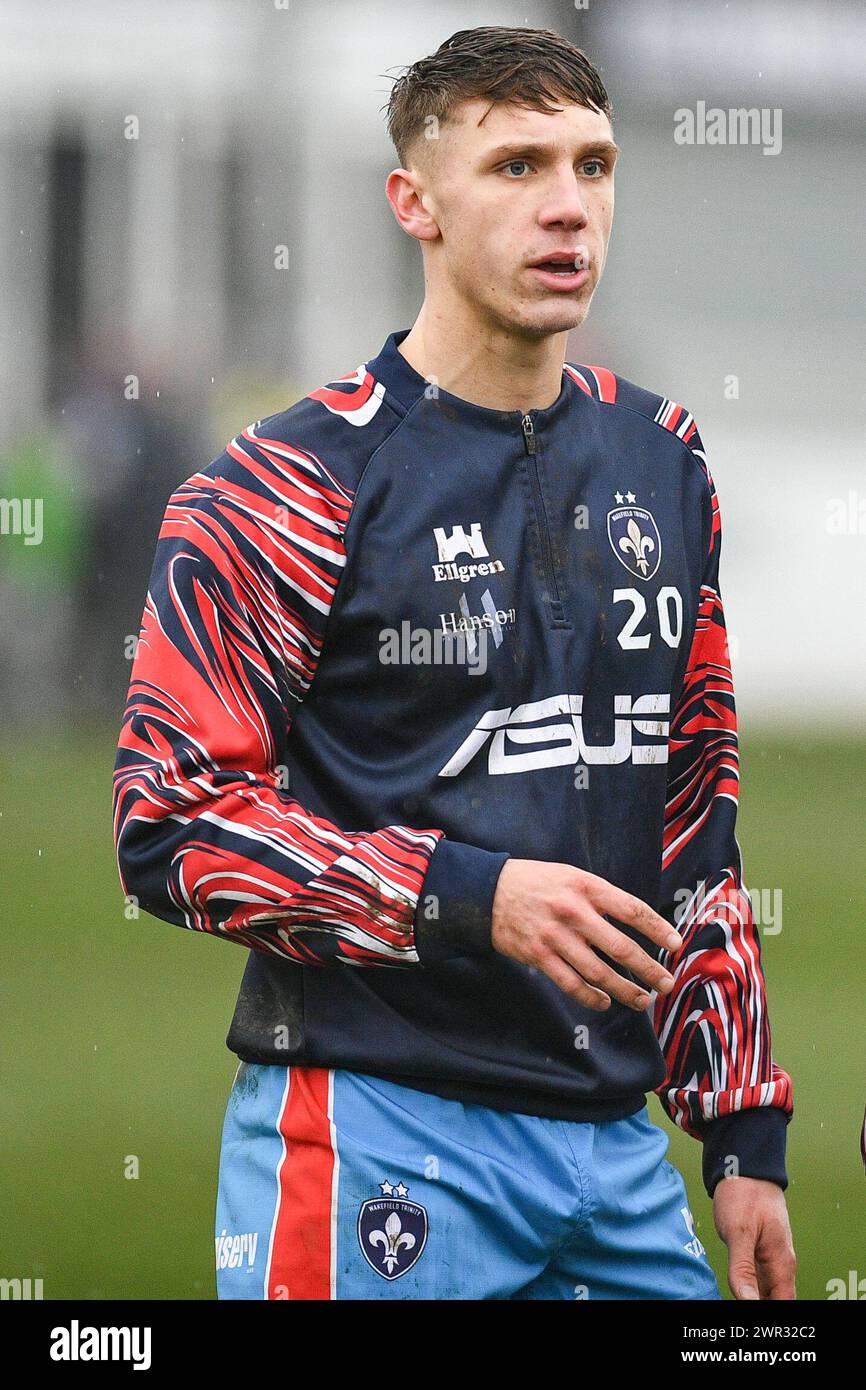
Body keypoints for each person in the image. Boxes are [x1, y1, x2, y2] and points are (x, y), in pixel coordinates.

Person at [113, 25, 795, 1300]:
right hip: (379, 1134)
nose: (565, 208)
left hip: (618, 1158)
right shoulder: (280, 488)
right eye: (516, 165)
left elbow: (694, 812)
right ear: (412, 203)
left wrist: (742, 1127)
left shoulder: (663, 456)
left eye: (592, 167)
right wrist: (468, 893)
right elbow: (168, 825)